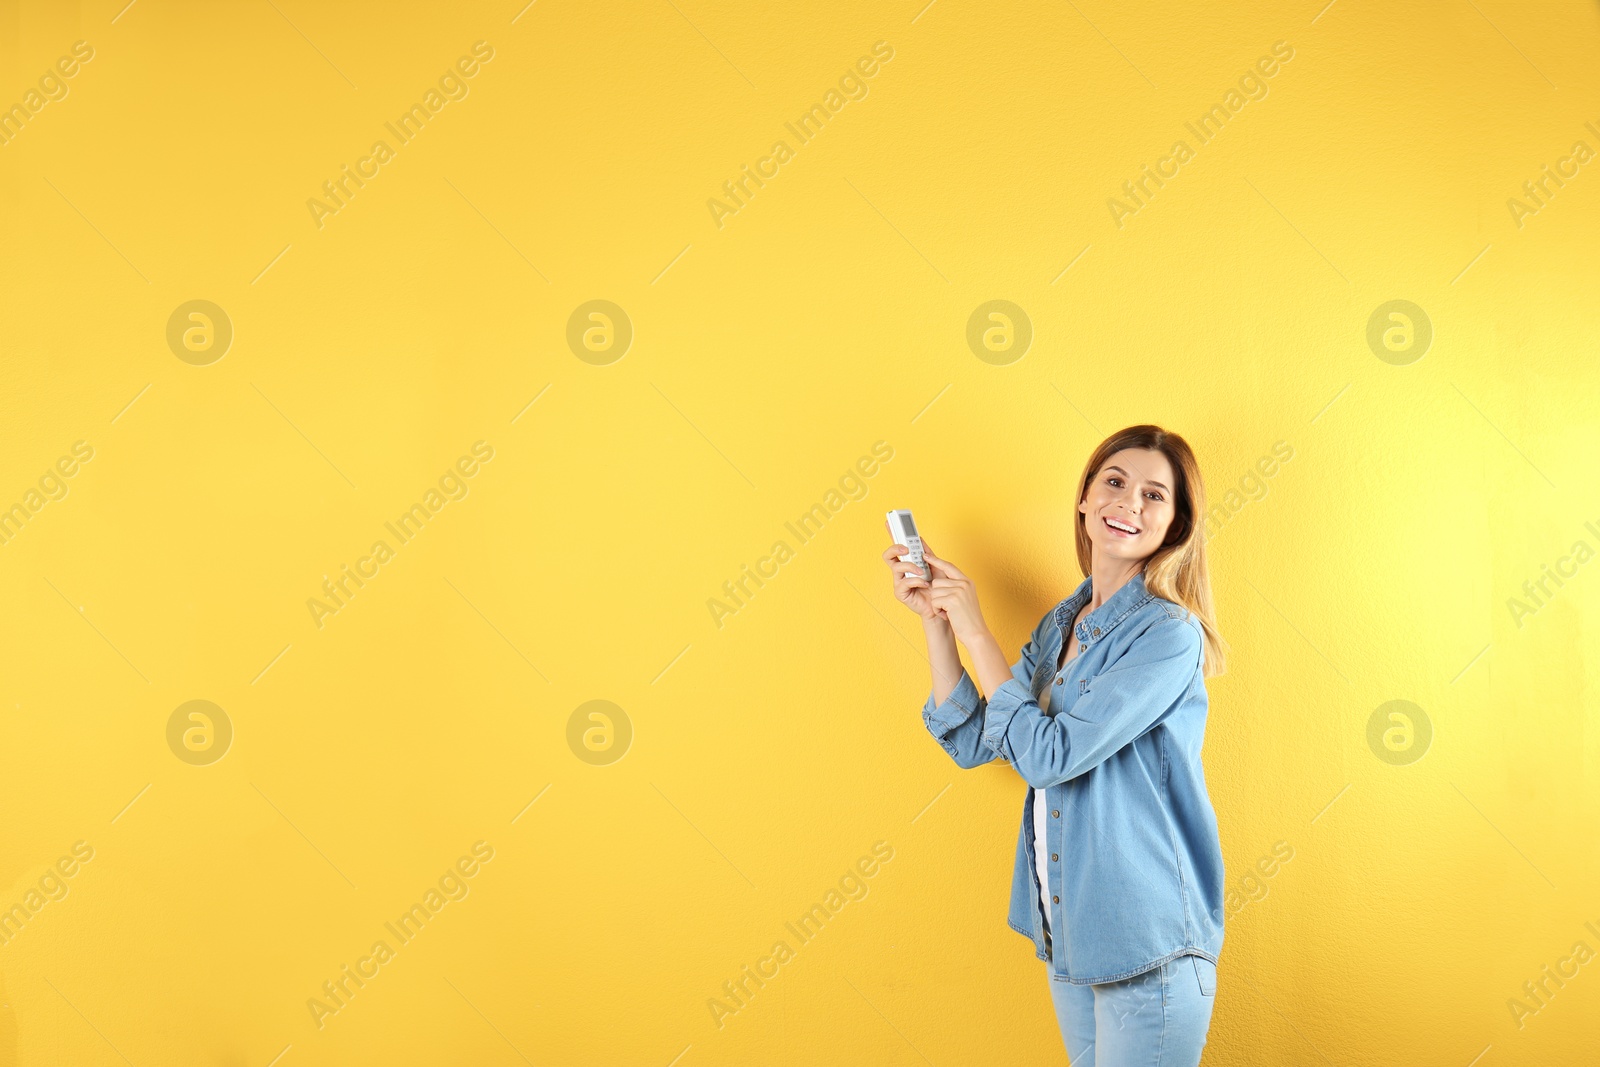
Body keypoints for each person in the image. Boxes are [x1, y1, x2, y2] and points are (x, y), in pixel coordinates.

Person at [883, 424, 1228, 1066]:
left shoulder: (1168, 635)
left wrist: (978, 631)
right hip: (1070, 926)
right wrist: (939, 622)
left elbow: (1049, 756)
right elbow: (973, 738)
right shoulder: (1061, 624)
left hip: (1147, 937)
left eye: (1156, 495)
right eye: (1116, 483)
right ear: (1084, 501)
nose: (1129, 504)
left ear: (1176, 525)